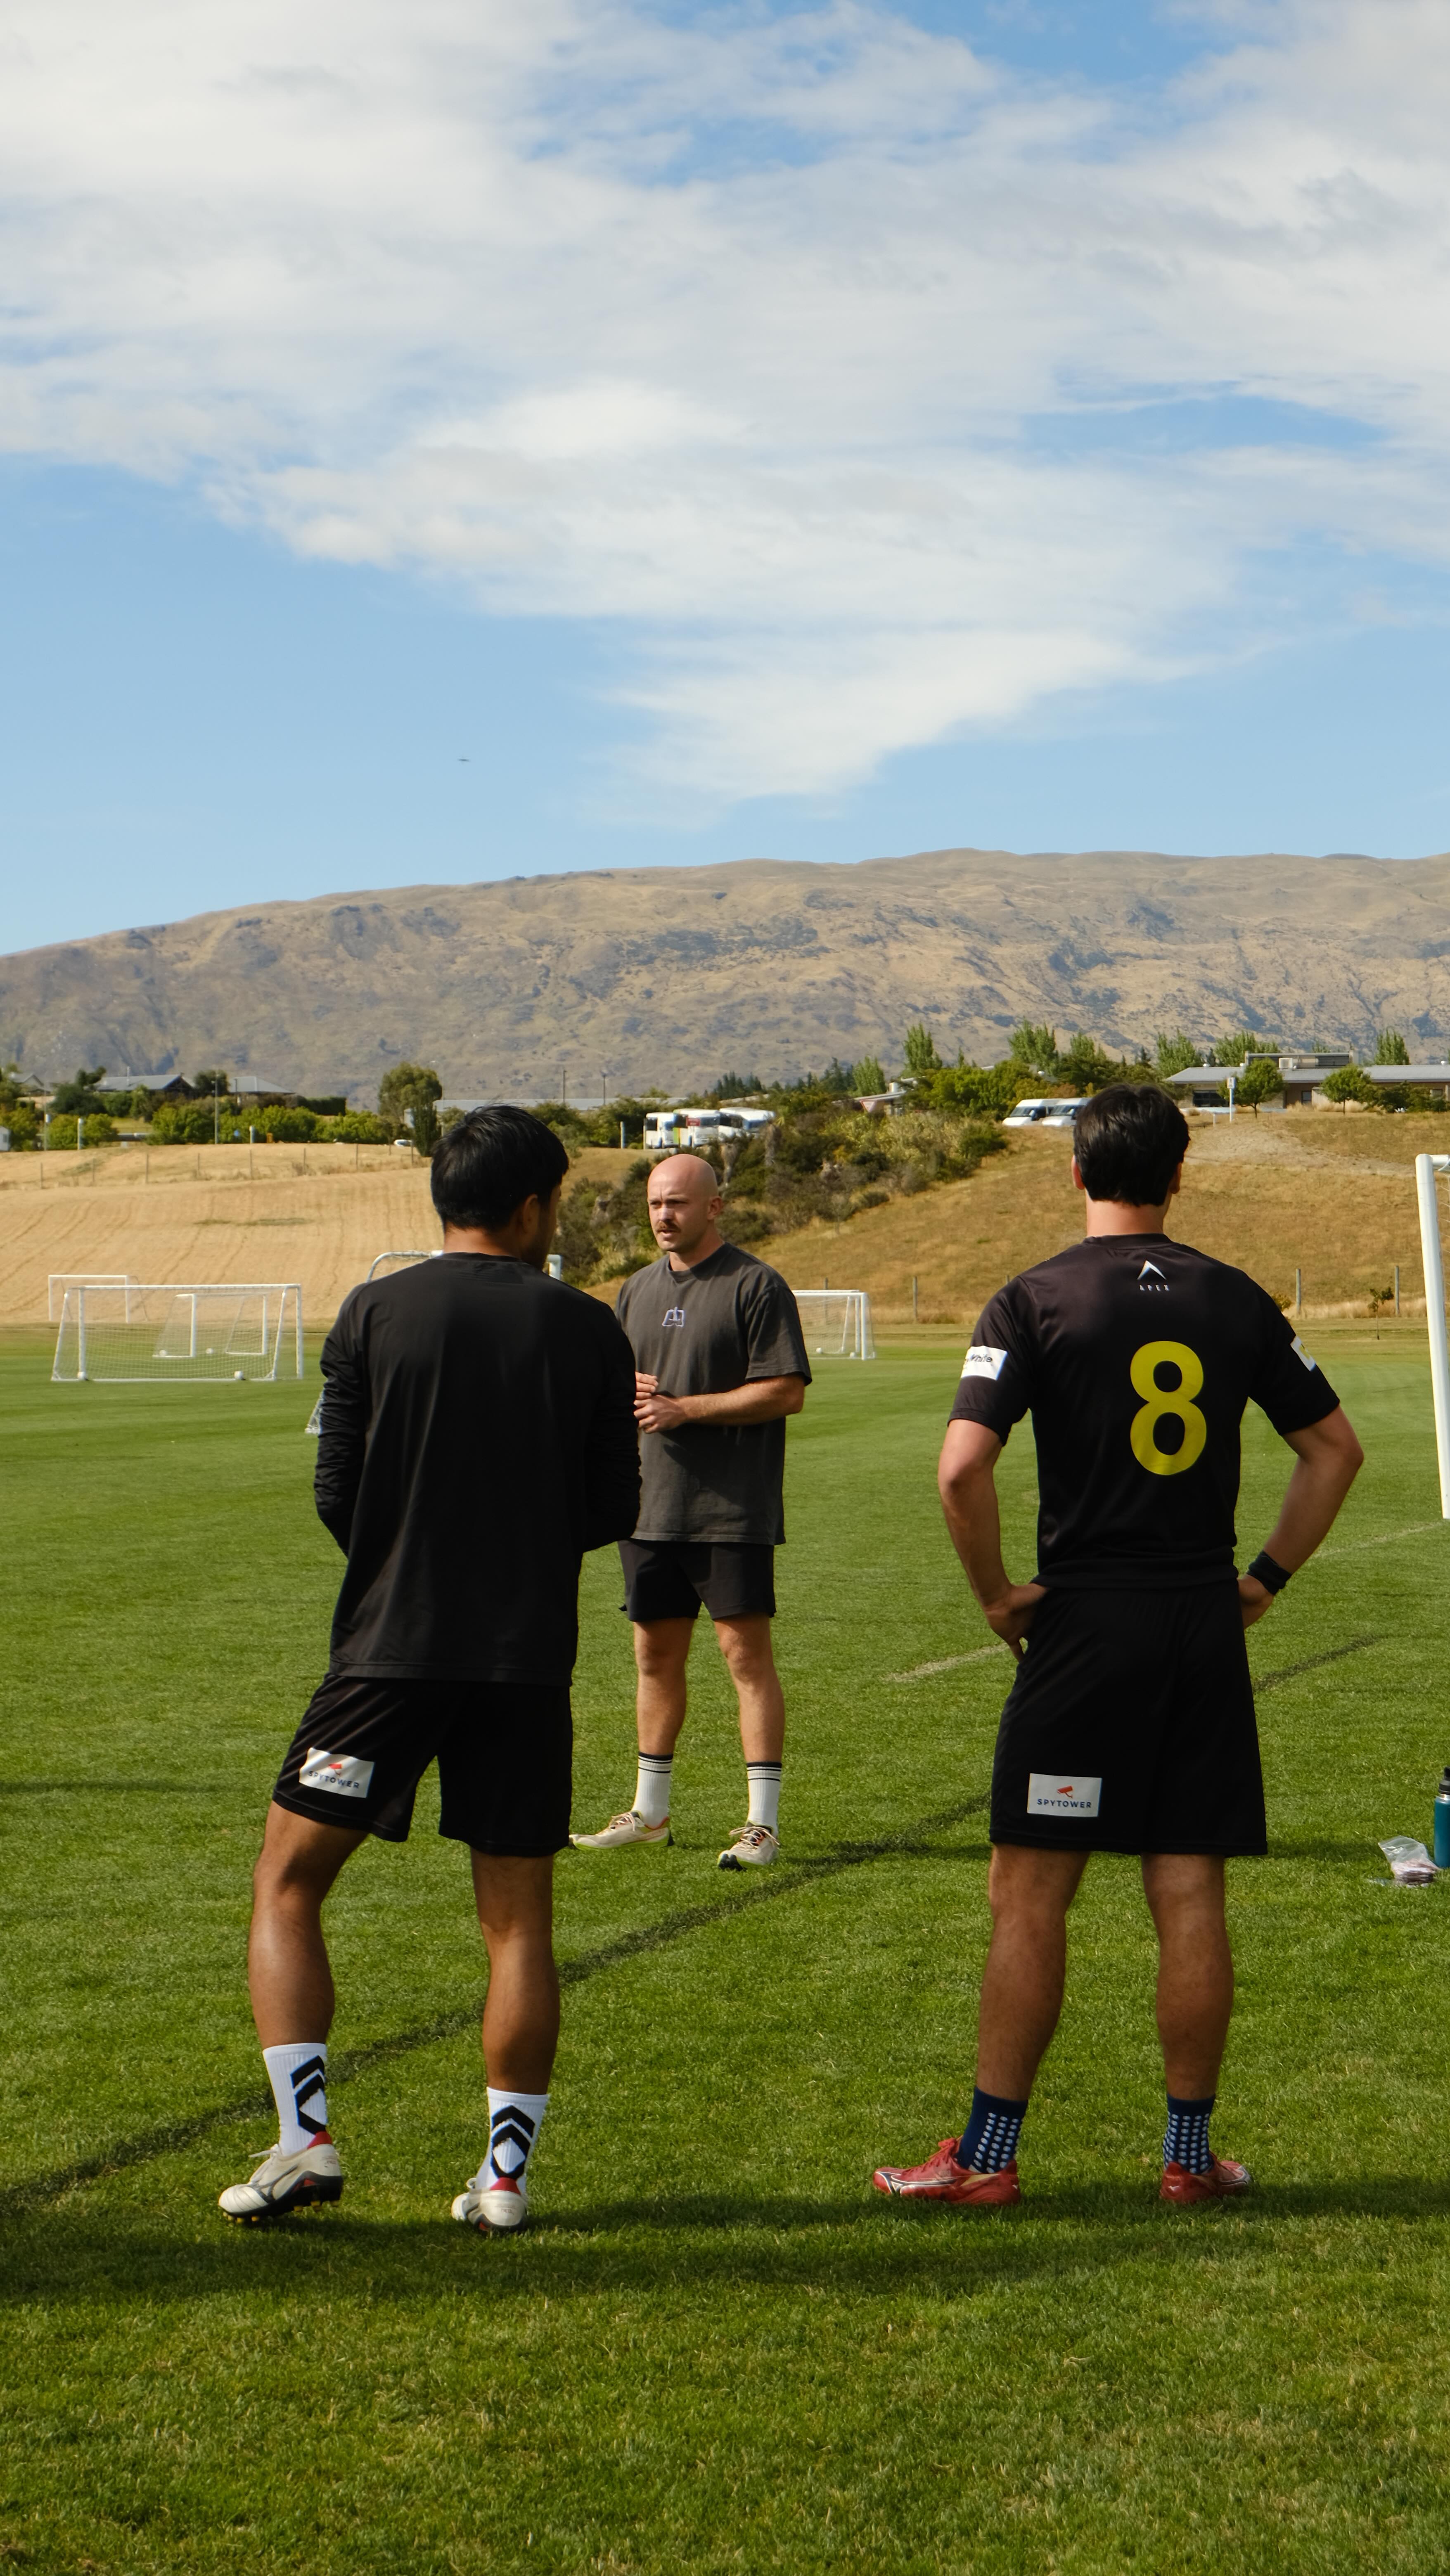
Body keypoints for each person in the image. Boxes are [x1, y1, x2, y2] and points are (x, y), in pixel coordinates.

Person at [873, 1082, 1362, 2210]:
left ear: (1077, 1174)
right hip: (1200, 1622)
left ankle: (987, 2161)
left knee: (1031, 1891)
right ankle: (1190, 2160)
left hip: (1086, 1627)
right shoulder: (1236, 1300)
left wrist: (1000, 1598)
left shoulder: (1034, 1299)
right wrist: (1263, 1580)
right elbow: (1334, 1450)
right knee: (1188, 1889)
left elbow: (959, 1468)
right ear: (1179, 1175)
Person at [218, 1107, 639, 2233]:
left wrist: (406, 1560)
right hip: (524, 1663)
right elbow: (614, 1505)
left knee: (289, 1881)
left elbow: (334, 1490)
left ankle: (305, 2144)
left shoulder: (372, 1310)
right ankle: (504, 2182)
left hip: (388, 1656)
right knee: (517, 1926)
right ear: (532, 1207)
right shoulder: (590, 1329)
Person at [571, 1151, 810, 1869]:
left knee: (745, 1657)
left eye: (677, 1203)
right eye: (654, 1205)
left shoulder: (756, 1285)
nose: (664, 1217)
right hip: (648, 1511)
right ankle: (649, 1813)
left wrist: (687, 1408)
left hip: (730, 1510)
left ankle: (760, 1825)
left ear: (715, 1207)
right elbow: (617, 1398)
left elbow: (786, 1390)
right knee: (653, 1657)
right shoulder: (634, 1291)